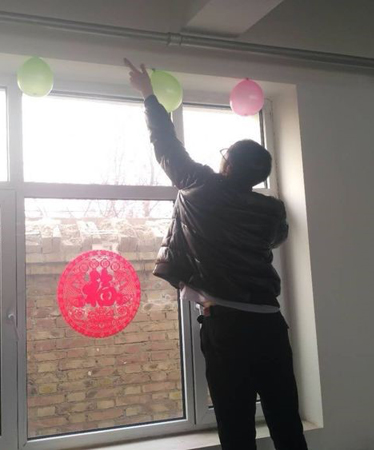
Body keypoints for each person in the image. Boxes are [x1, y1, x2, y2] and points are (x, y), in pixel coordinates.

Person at [125, 58, 308, 450]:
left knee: (235, 425)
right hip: (270, 323)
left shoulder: (200, 185)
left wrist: (148, 93)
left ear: (227, 163)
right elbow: (275, 239)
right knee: (286, 420)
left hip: (228, 327)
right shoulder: (272, 210)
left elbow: (165, 143)